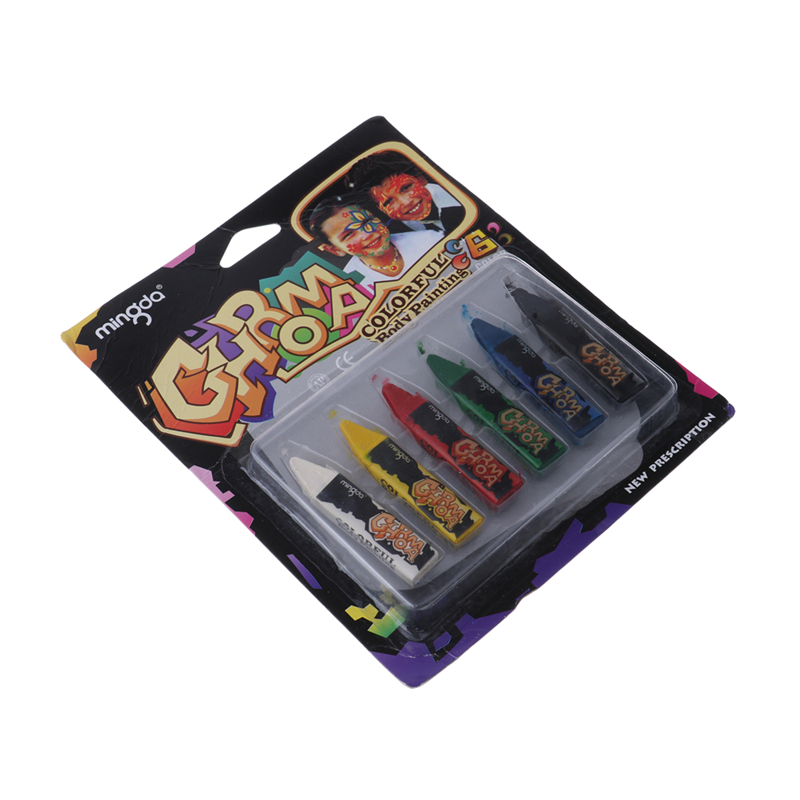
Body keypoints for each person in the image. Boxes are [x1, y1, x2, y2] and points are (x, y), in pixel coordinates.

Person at [309, 199, 442, 291]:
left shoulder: (429, 241)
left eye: (367, 221)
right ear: (335, 249)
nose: (367, 233)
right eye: (348, 234)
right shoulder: (350, 287)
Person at [344, 152, 463, 236]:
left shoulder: (459, 192)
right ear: (380, 210)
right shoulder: (397, 235)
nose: (406, 202)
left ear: (420, 178)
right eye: (388, 201)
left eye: (406, 188)